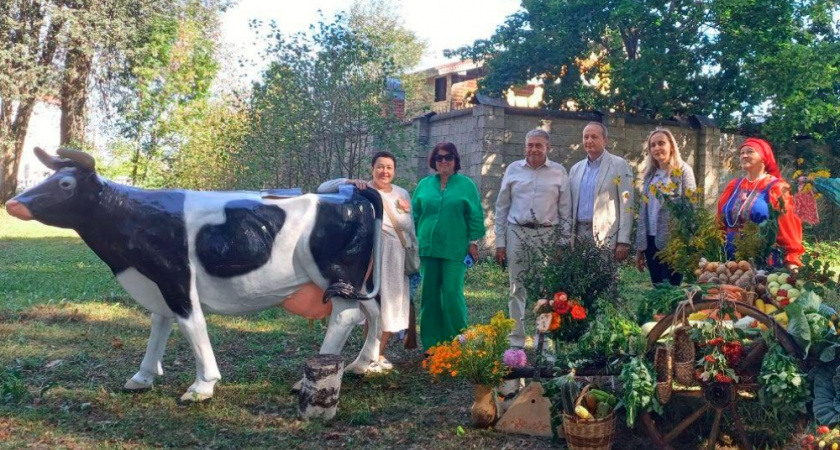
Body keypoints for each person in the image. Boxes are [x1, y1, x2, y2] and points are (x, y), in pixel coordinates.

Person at [317, 151, 417, 371]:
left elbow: (410, 228)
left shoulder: (402, 194)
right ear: (372, 168)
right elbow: (323, 188)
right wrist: (349, 181)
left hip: (395, 256)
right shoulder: (361, 190)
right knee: (369, 304)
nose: (385, 171)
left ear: (394, 171)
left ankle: (378, 355)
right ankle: (369, 352)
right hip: (368, 255)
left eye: (389, 167)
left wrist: (413, 253)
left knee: (390, 305)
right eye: (380, 166)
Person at [494, 129, 572, 349]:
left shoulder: (559, 172)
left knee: (546, 291)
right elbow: (502, 207)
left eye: (539, 145)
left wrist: (564, 242)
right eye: (530, 145)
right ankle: (516, 342)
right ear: (524, 146)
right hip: (517, 232)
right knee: (516, 288)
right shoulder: (513, 170)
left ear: (548, 147)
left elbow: (565, 211)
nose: (534, 149)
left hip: (548, 235)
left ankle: (543, 341)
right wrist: (500, 242)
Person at [412, 142, 485, 350]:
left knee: (452, 294)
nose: (443, 161)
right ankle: (433, 345)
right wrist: (411, 242)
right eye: (439, 158)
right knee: (430, 295)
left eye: (448, 157)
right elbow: (414, 216)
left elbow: (475, 215)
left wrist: (473, 242)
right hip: (428, 248)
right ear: (434, 161)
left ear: (455, 160)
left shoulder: (466, 185)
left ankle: (458, 341)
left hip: (455, 248)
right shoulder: (424, 185)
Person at [717, 138, 805, 268]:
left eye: (750, 151)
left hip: (762, 261)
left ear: (764, 157)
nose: (744, 155)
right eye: (742, 153)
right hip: (729, 261)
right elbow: (719, 220)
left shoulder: (777, 188)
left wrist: (791, 261)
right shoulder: (733, 186)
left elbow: (788, 226)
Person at [634, 128, 697, 285]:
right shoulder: (650, 174)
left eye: (661, 143)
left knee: (672, 289)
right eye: (653, 145)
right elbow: (644, 212)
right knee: (658, 287)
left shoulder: (683, 172)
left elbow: (690, 209)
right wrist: (640, 247)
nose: (656, 148)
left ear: (672, 146)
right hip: (650, 241)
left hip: (673, 242)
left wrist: (687, 245)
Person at [569, 122, 635, 261]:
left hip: (606, 236)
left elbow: (627, 205)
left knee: (605, 281)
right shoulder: (575, 169)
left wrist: (623, 241)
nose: (589, 141)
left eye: (594, 137)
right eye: (585, 137)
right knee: (580, 281)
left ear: (605, 140)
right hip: (579, 235)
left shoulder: (619, 165)